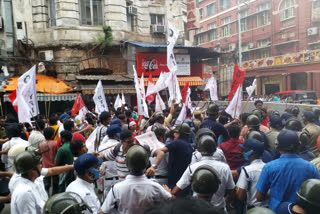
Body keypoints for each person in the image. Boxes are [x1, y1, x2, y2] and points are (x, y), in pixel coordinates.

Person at [256, 130, 320, 212]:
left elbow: (259, 196)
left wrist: (273, 193)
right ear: (298, 146)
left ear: (278, 147)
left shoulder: (269, 167)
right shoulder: (311, 167)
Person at [100, 145, 172, 214]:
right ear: (146, 164)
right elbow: (172, 201)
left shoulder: (116, 189)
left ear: (127, 164)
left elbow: (104, 211)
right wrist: (169, 193)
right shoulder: (155, 187)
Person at [172, 135, 235, 212]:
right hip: (219, 209)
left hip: (198, 209)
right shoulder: (225, 168)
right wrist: (224, 201)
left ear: (199, 150)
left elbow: (176, 190)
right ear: (215, 149)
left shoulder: (192, 167)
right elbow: (232, 192)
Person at [146, 123, 194, 190]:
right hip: (183, 181)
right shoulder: (190, 146)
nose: (174, 134)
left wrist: (151, 150)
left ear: (181, 134)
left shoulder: (177, 142)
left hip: (173, 180)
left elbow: (162, 150)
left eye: (176, 133)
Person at [236, 139, 268, 210]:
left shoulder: (247, 170)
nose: (243, 152)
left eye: (245, 150)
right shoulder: (268, 167)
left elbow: (240, 196)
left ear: (251, 152)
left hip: (253, 209)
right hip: (268, 208)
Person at [99, 124, 121, 196]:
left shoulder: (101, 147)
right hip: (120, 180)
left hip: (107, 181)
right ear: (115, 135)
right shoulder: (120, 146)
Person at [39, 127, 58, 196]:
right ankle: (54, 198)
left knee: (46, 186)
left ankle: (47, 197)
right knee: (55, 185)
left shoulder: (41, 144)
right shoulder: (55, 144)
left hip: (45, 167)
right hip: (55, 167)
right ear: (52, 135)